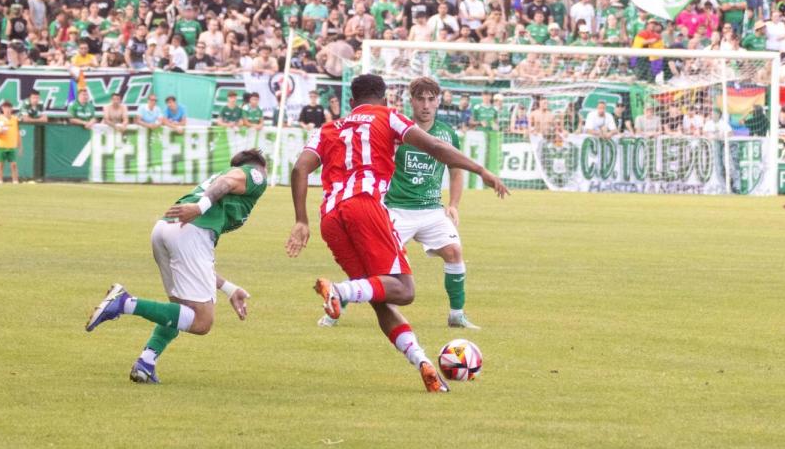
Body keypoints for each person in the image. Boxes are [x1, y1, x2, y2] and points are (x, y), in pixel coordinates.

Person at [285, 74, 509, 393]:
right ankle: (339, 290)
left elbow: (299, 168)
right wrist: (481, 170)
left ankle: (423, 363)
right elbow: (434, 146)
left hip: (331, 218)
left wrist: (300, 220)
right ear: (386, 97)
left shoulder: (327, 128)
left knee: (381, 297)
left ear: (351, 102)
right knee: (405, 290)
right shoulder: (389, 116)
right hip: (366, 207)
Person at [85, 149, 269, 383]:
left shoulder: (223, 181)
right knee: (201, 322)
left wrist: (229, 289)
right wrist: (200, 208)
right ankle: (124, 303)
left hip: (167, 228)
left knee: (181, 309)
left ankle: (145, 363)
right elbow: (226, 182)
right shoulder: (256, 174)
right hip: (191, 230)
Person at [317, 77, 480, 330]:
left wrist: (454, 203)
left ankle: (456, 315)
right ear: (411, 101)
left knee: (454, 252)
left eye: (431, 99)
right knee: (372, 266)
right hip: (395, 209)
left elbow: (455, 168)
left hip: (431, 209)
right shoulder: (396, 129)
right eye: (420, 99)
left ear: (438, 102)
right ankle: (335, 307)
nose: (426, 105)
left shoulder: (447, 133)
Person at [0, 101, 21, 185]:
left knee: (14, 164)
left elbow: (17, 132)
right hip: (1, 145)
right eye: (5, 108)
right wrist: (1, 131)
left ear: (11, 109)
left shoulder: (15, 119)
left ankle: (15, 181)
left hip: (11, 145)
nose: (7, 110)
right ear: (2, 109)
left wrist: (20, 146)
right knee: (0, 164)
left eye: (9, 108)